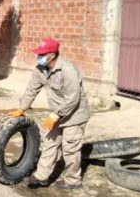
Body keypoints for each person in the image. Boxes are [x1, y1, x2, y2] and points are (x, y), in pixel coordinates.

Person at [8, 38, 90, 189]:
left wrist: (56, 115)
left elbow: (73, 98)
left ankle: (73, 181)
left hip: (75, 113)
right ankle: (41, 176)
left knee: (70, 148)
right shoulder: (40, 68)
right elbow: (32, 88)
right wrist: (22, 108)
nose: (39, 57)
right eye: (39, 54)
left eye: (42, 54)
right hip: (58, 112)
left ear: (52, 55)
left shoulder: (68, 70)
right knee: (50, 143)